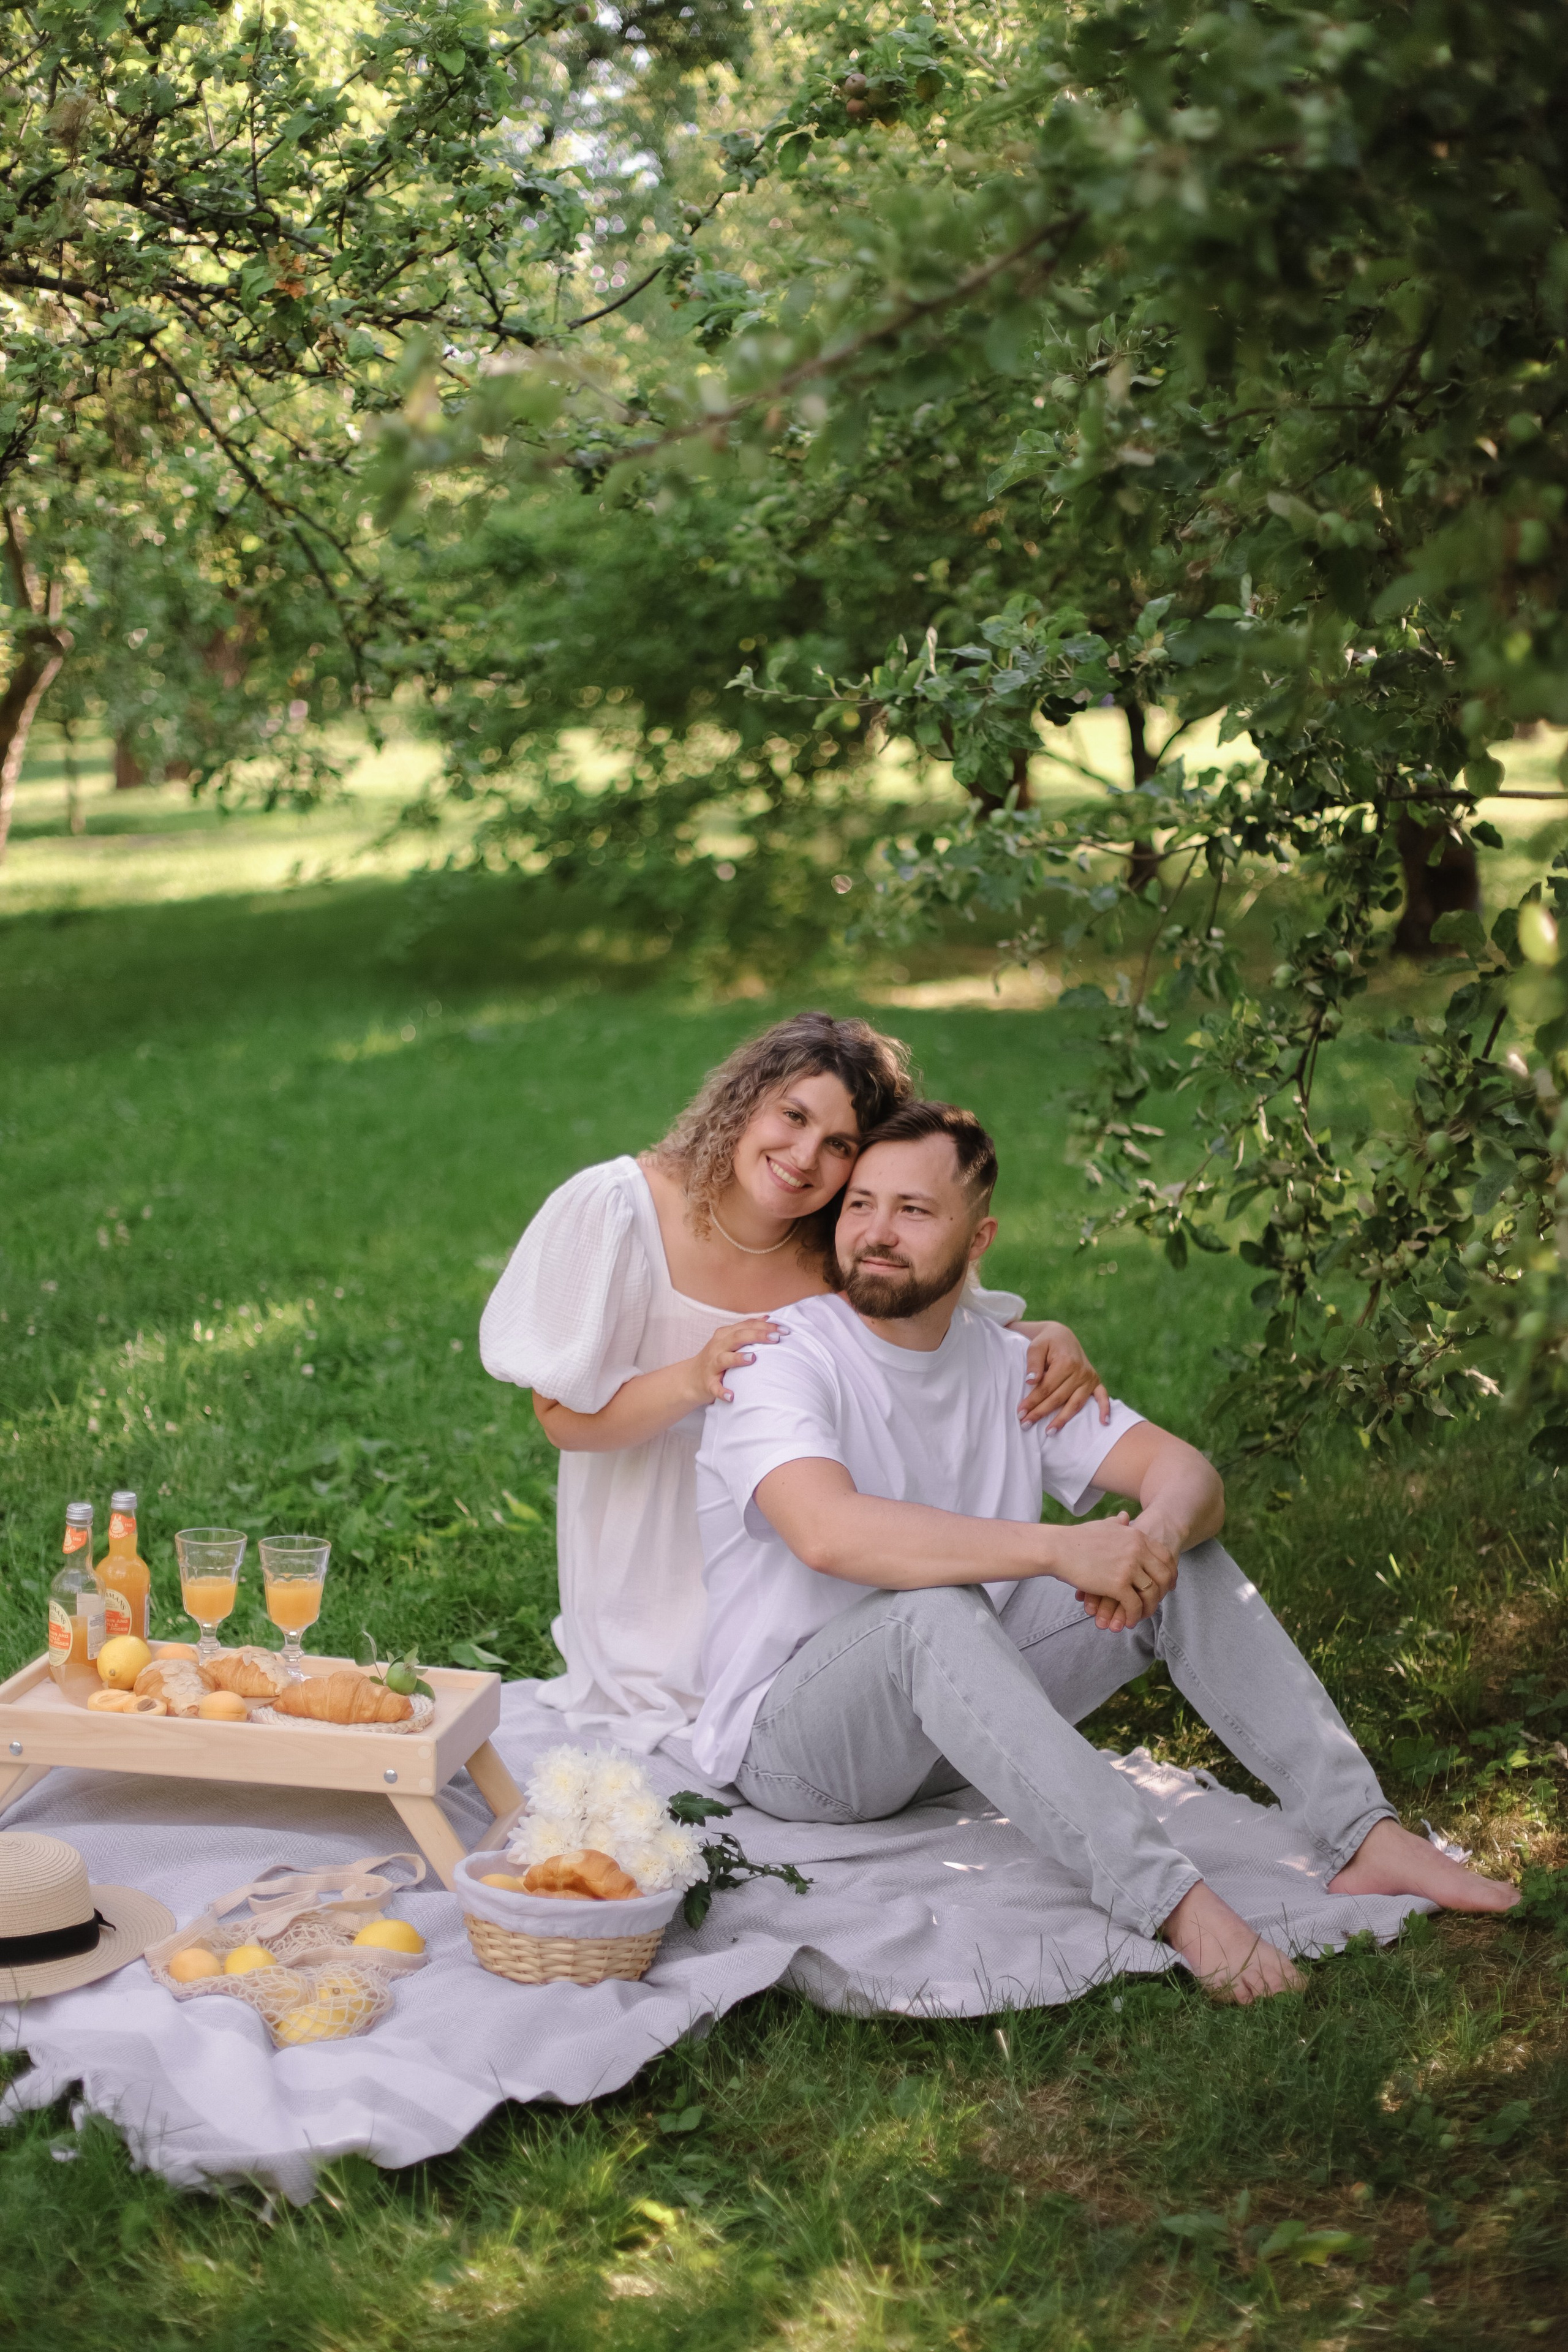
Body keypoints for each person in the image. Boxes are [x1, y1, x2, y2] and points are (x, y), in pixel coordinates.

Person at [691, 1098, 1519, 2001]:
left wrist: (1149, 1541)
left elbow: (1187, 1475)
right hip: (801, 1752)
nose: (876, 1233)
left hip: (959, 1719)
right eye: (860, 1205)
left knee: (1169, 1553)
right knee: (933, 1611)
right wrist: (1057, 1549)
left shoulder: (1015, 1366)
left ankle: (1366, 1836)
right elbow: (826, 1530)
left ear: (978, 1240)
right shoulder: (781, 1359)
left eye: (914, 1211)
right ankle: (1174, 1901)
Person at [479, 1014, 1106, 1751]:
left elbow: (945, 1337)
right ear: (745, 1101)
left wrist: (1046, 1336)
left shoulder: (840, 1246)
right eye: (793, 1116)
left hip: (797, 1563)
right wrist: (690, 1378)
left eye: (839, 1145)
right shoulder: (618, 1209)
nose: (804, 1157)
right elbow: (559, 1418)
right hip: (647, 1559)